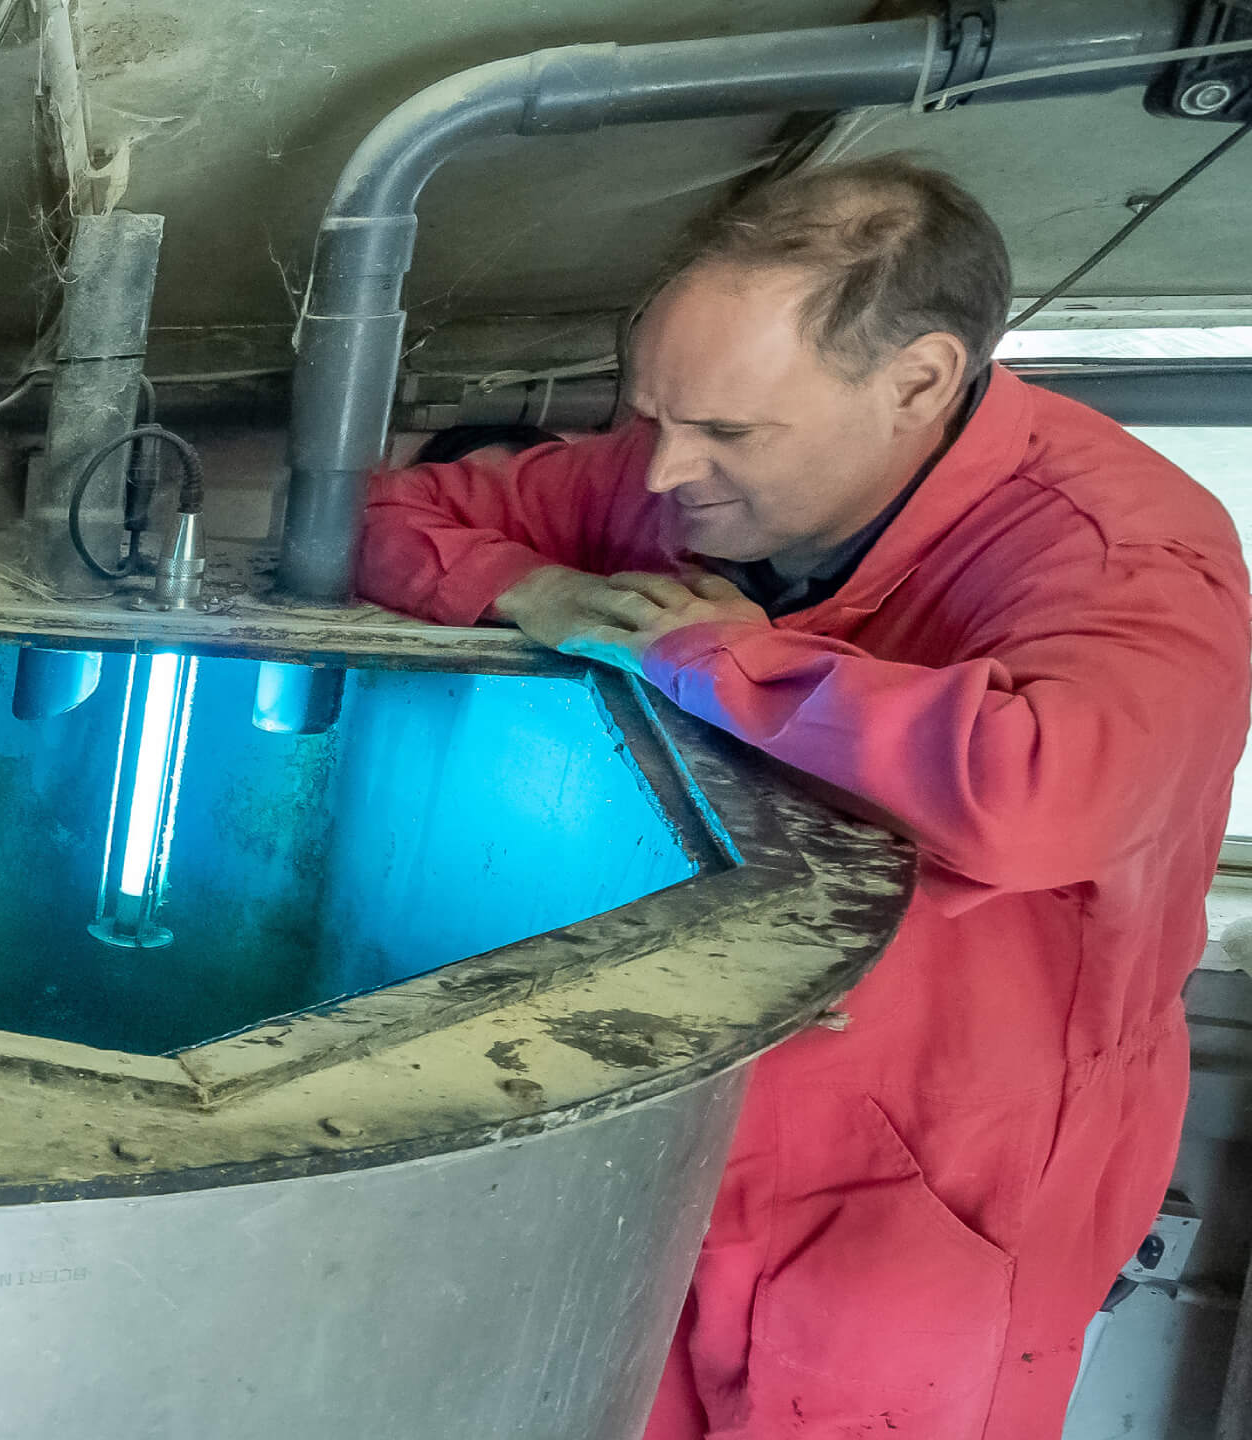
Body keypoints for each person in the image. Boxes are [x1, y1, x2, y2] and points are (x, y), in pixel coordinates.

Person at [357, 157, 1252, 1438]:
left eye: (726, 433)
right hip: (693, 1116)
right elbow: (381, 514)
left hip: (936, 1187)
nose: (663, 474)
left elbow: (1045, 790)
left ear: (921, 383)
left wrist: (708, 655)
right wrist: (531, 588)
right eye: (652, 414)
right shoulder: (664, 478)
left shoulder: (1122, 553)